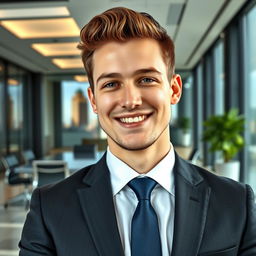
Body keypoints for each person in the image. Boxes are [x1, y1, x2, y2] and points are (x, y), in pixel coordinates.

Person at [19, 7, 256, 256]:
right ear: (94, 101)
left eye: (146, 79)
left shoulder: (235, 203)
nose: (130, 100)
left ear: (174, 89)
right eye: (111, 84)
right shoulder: (51, 208)